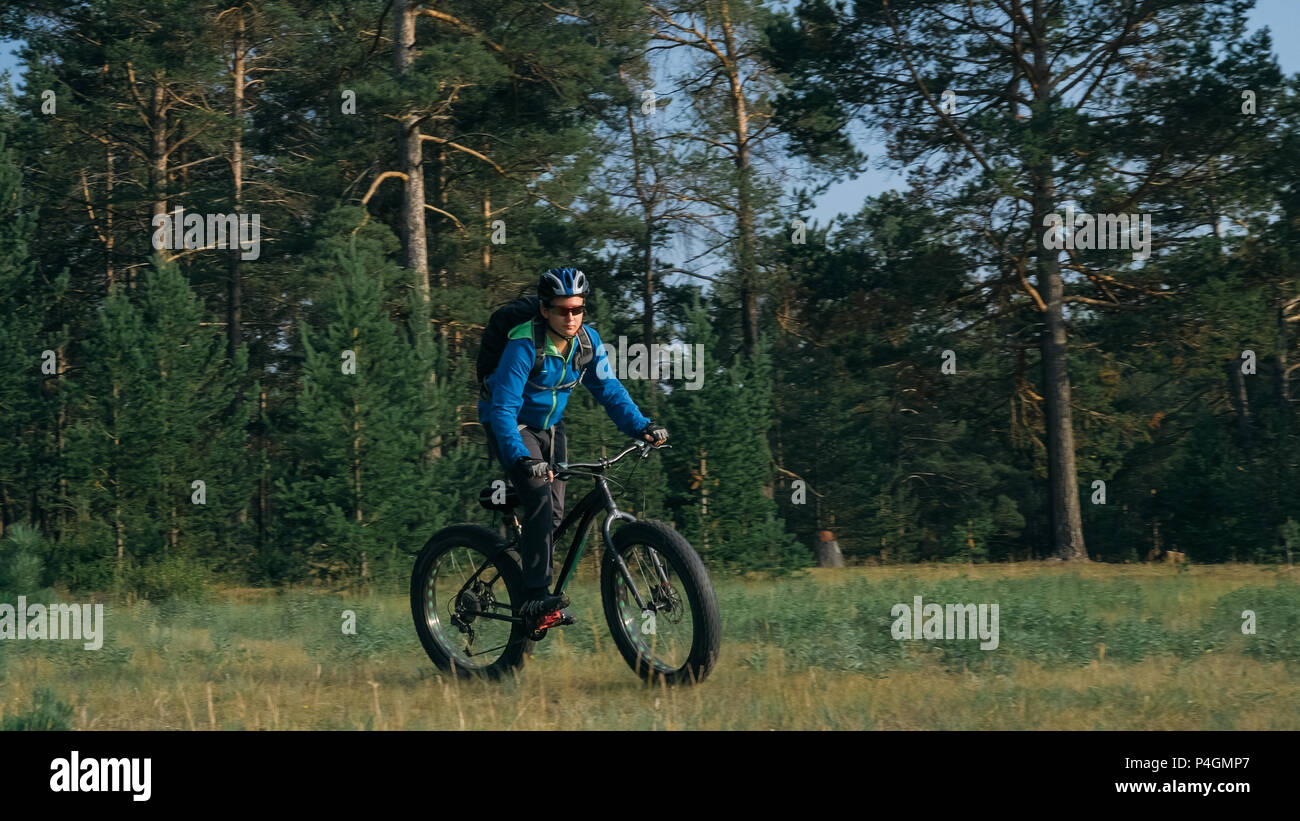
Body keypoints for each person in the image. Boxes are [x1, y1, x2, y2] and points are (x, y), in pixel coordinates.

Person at [478, 267, 669, 621]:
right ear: (544, 310)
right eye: (563, 310)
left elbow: (610, 391)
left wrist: (641, 426)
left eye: (577, 309)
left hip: (550, 427)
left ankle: (513, 505)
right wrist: (521, 457)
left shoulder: (587, 342)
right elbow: (503, 408)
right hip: (511, 423)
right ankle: (535, 595)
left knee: (553, 514)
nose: (571, 318)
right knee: (538, 494)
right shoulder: (524, 345)